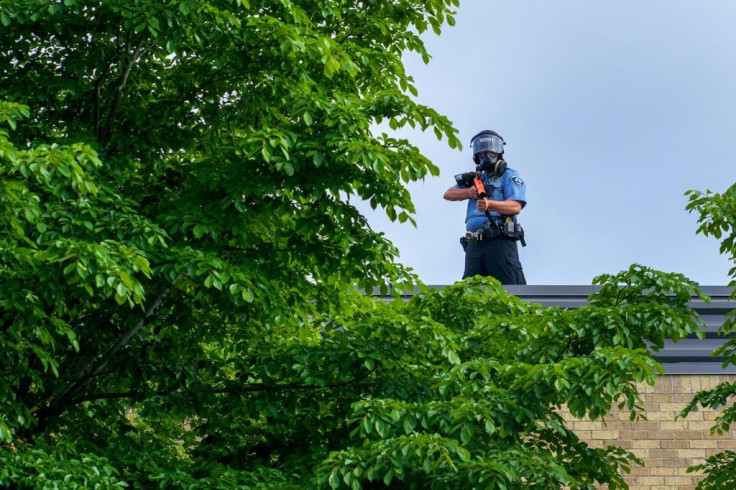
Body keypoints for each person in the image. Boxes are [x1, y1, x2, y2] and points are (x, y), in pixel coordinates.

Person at [443, 130, 527, 284]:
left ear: (499, 154)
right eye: (483, 153)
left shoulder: (508, 176)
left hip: (499, 241)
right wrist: (469, 192)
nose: (487, 157)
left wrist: (490, 204)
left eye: (492, 152)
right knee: (469, 294)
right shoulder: (475, 178)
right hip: (474, 244)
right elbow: (448, 194)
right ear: (477, 155)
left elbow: (515, 206)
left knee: (512, 292)